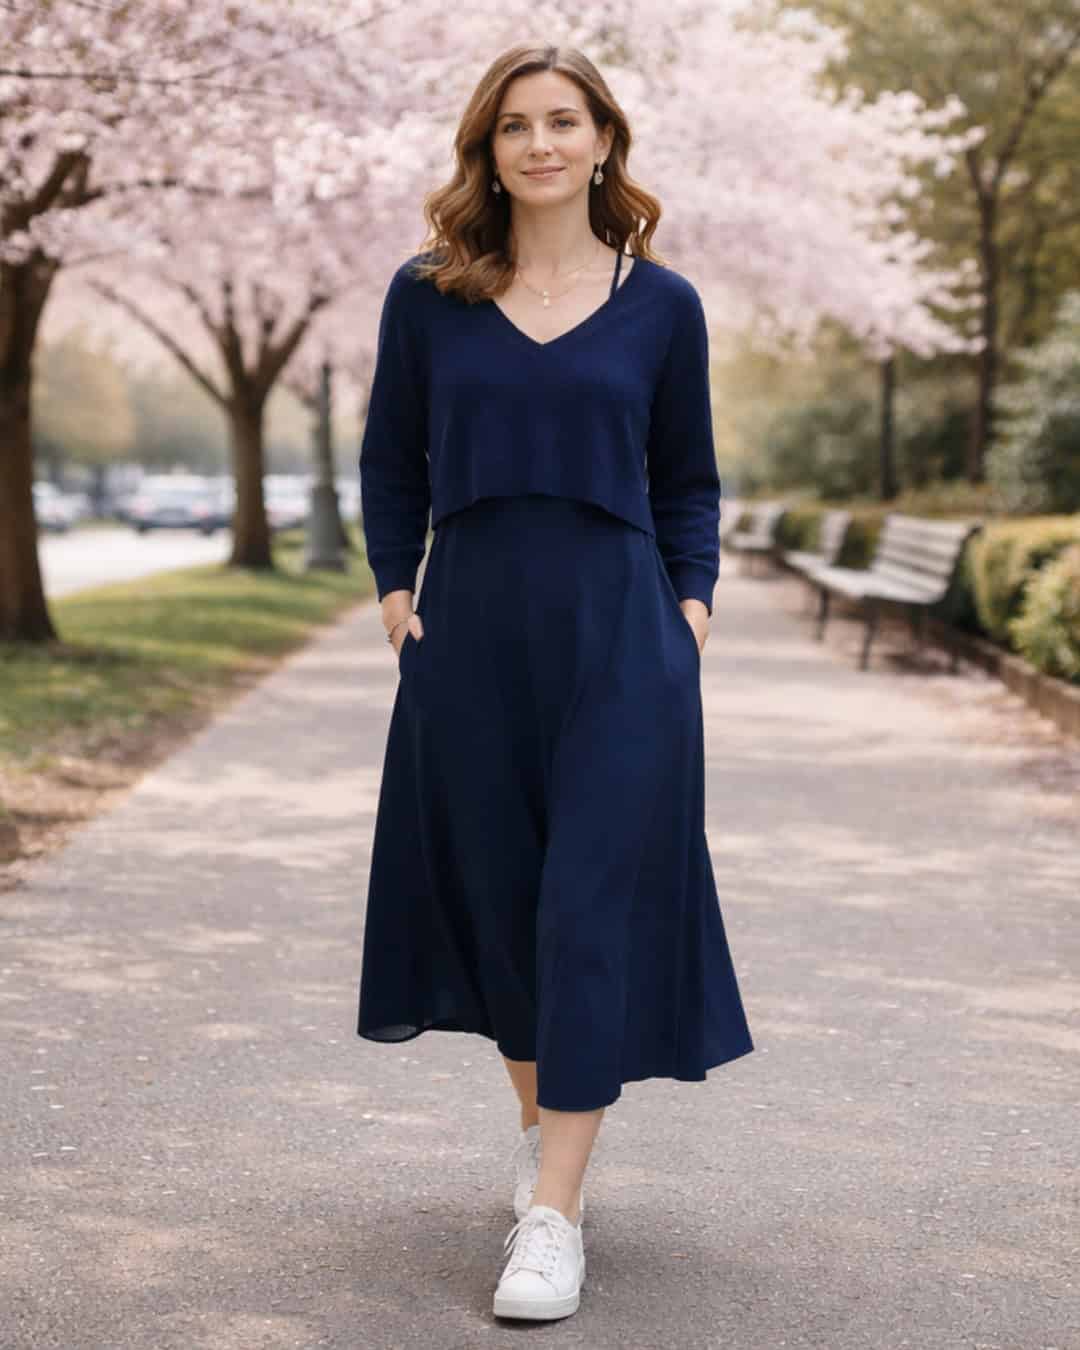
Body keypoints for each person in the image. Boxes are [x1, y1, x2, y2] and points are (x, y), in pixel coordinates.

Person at [356, 41, 754, 1322]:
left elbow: (688, 477)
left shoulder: (664, 306)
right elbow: (389, 457)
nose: (539, 142)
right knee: (503, 895)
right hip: (469, 630)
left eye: (562, 120)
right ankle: (550, 1147)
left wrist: (687, 611)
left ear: (601, 141)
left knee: (589, 898)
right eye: (514, 124)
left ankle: (554, 1215)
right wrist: (394, 586)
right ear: (488, 148)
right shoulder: (430, 296)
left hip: (620, 636)